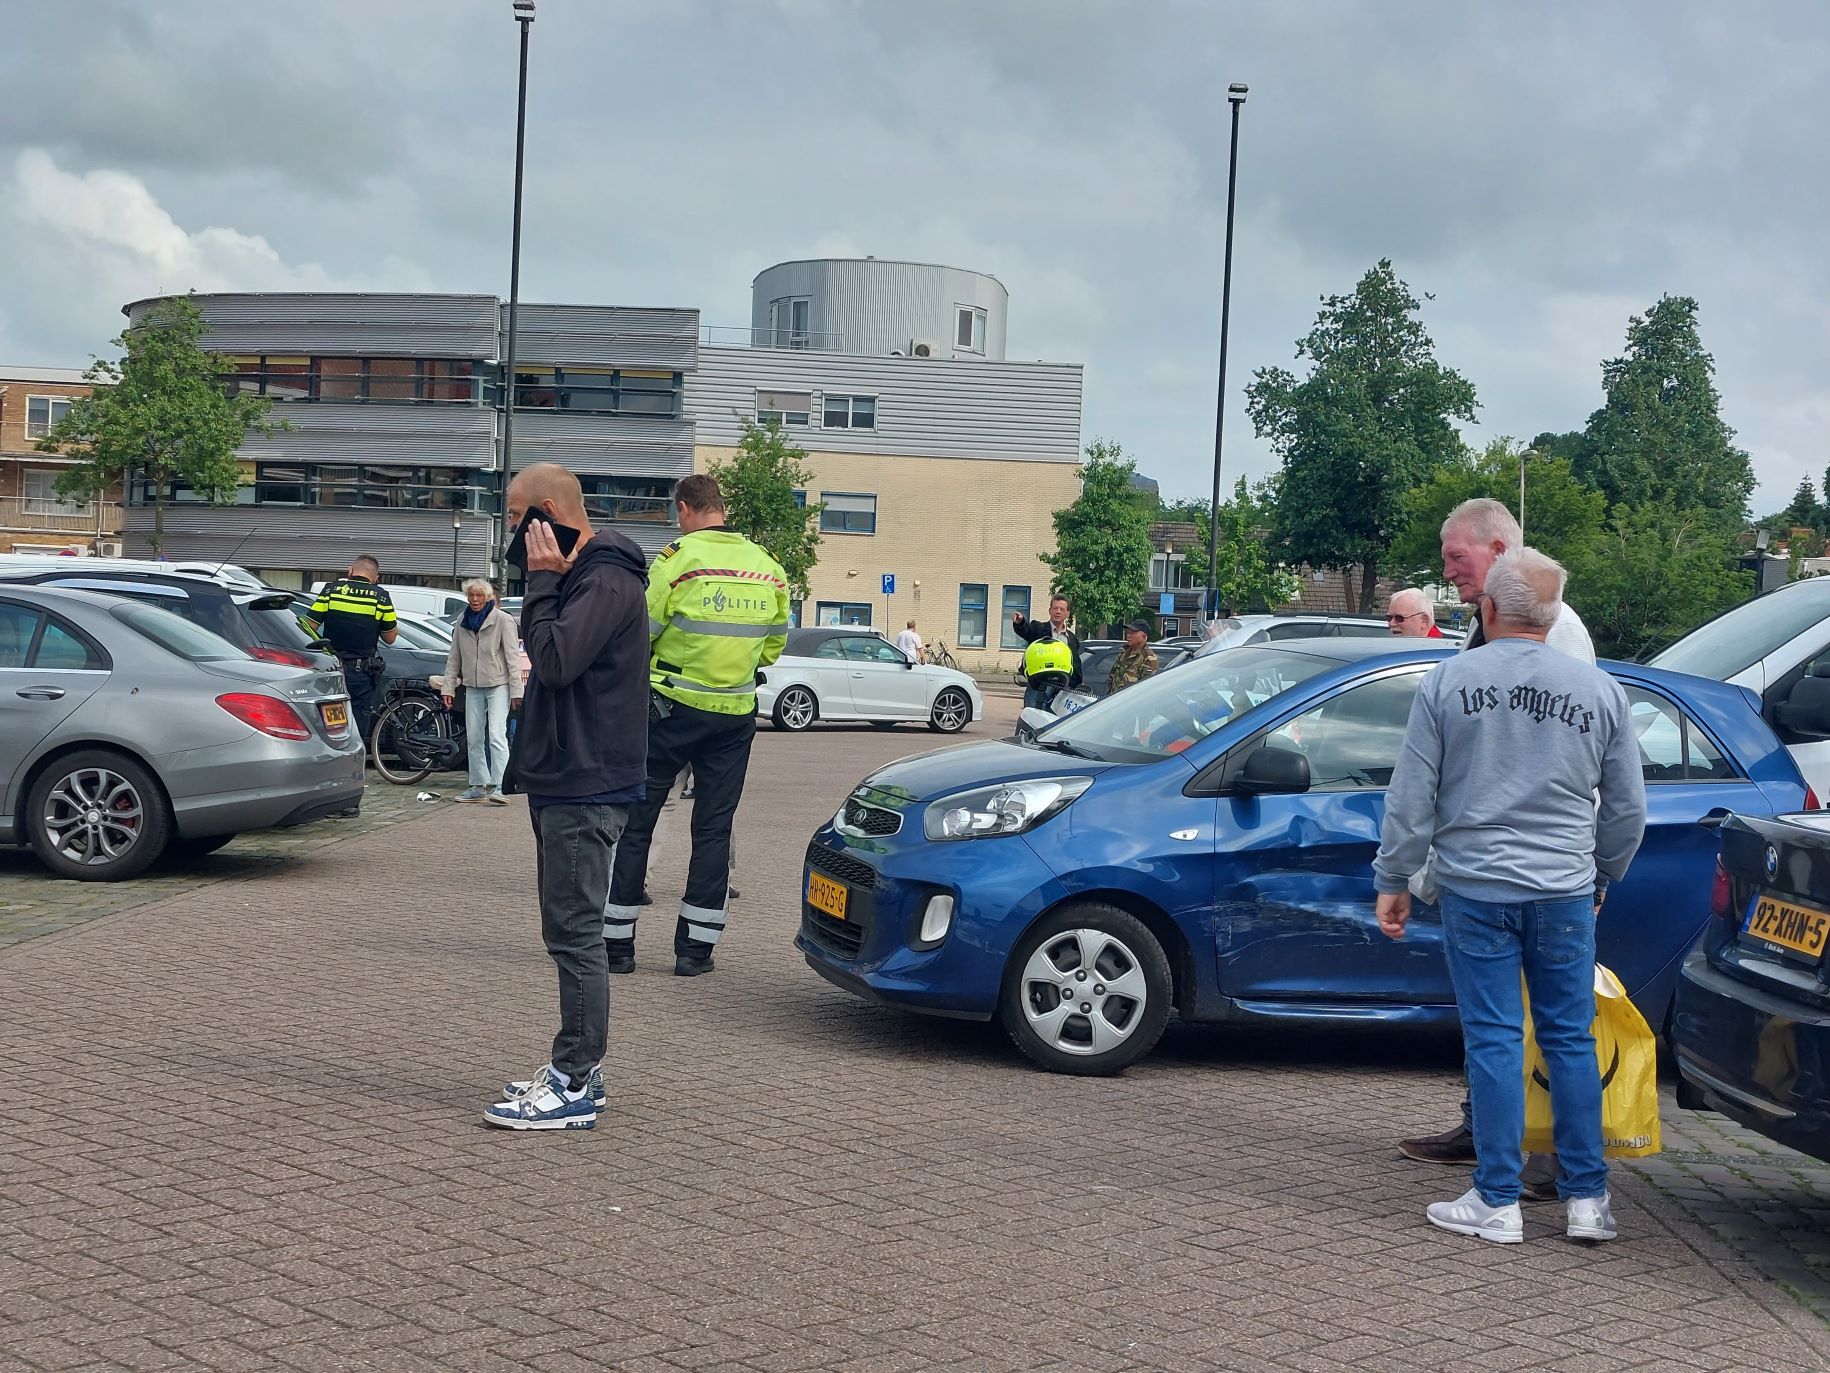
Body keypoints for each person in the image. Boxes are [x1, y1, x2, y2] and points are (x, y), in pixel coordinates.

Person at [1373, 548, 1646, 1244]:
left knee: (1493, 1036)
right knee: (1569, 1037)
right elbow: (1625, 811)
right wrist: (1602, 873)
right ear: (1553, 617)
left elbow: (1412, 797)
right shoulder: (1601, 691)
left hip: (1476, 886)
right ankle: (1588, 1199)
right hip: (1563, 890)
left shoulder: (1448, 682)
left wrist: (1394, 878)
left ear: (1488, 609)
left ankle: (1497, 1198)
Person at [1400, 497, 1597, 1191]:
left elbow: (1560, 764)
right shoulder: (1484, 636)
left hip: (1508, 874)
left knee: (1512, 1029)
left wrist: (1405, 870)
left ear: (1499, 549)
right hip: (1546, 872)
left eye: (1457, 555)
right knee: (1546, 1028)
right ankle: (1565, 1178)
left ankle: (1514, 1172)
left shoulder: (1557, 637)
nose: (1447, 568)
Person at [486, 463, 650, 1131]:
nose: (511, 531)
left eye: (515, 516)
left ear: (545, 513)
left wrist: (543, 582)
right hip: (567, 775)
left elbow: (554, 659)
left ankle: (575, 1078)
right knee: (566, 928)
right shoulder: (592, 576)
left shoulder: (605, 577)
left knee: (576, 931)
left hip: (587, 781)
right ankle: (581, 1069)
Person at [604, 474, 790, 978]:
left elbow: (644, 631)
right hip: (733, 715)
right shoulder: (769, 566)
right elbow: (773, 646)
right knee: (712, 829)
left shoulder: (677, 559)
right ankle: (695, 952)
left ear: (686, 508)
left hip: (669, 708)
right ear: (723, 508)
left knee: (637, 823)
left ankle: (617, 946)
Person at [442, 578, 522, 804]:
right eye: (471, 596)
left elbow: (512, 658)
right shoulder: (462, 621)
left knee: (497, 735)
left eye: (479, 596)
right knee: (475, 736)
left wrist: (517, 692)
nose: (475, 600)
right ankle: (477, 784)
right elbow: (454, 657)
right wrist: (448, 687)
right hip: (472, 685)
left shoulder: (503, 620)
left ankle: (500, 786)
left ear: (488, 598)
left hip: (498, 683)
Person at [308, 555, 398, 742]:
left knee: (329, 719)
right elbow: (390, 638)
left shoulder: (331, 591)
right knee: (357, 721)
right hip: (360, 672)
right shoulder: (380, 597)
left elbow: (309, 626)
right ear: (376, 578)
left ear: (350, 571)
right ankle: (353, 758)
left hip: (330, 668)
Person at [1013, 594, 1083, 710]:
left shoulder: (1072, 638)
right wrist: (1020, 623)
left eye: (1062, 609)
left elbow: (1075, 664)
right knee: (1033, 720)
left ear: (1067, 614)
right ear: (1050, 611)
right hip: (1039, 686)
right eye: (1055, 608)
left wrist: (1077, 684)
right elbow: (1026, 630)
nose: (1058, 612)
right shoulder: (1038, 628)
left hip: (1062, 688)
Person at [1107, 620, 1159, 693]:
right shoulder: (1124, 653)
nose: (1128, 636)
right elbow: (1111, 678)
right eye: (1128, 632)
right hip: (1114, 700)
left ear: (1144, 636)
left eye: (1133, 633)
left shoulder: (1149, 658)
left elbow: (1148, 690)